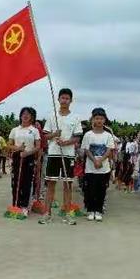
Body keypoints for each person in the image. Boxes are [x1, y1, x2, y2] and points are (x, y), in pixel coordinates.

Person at [39, 88, 83, 225]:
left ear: (71, 101)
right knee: (51, 184)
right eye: (62, 98)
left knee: (68, 184)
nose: (64, 100)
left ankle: (67, 213)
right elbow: (45, 136)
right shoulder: (52, 116)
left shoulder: (75, 118)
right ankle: (47, 213)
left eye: (67, 98)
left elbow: (77, 138)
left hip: (68, 155)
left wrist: (66, 142)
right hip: (53, 154)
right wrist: (54, 134)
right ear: (58, 99)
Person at [81, 108, 115, 221]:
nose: (99, 120)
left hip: (103, 168)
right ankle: (90, 210)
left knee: (101, 190)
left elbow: (109, 149)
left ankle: (98, 210)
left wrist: (101, 160)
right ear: (93, 120)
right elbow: (86, 149)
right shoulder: (88, 135)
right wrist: (94, 160)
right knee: (90, 189)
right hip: (90, 167)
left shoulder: (108, 135)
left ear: (104, 120)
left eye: (101, 118)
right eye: (96, 118)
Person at [8, 107, 41, 216]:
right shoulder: (15, 130)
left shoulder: (34, 130)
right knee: (16, 181)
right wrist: (18, 148)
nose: (25, 116)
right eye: (23, 114)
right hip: (18, 156)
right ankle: (16, 204)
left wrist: (27, 152)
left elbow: (37, 147)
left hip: (29, 156)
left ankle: (24, 205)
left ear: (31, 117)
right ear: (20, 116)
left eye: (28, 114)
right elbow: (9, 145)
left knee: (26, 182)